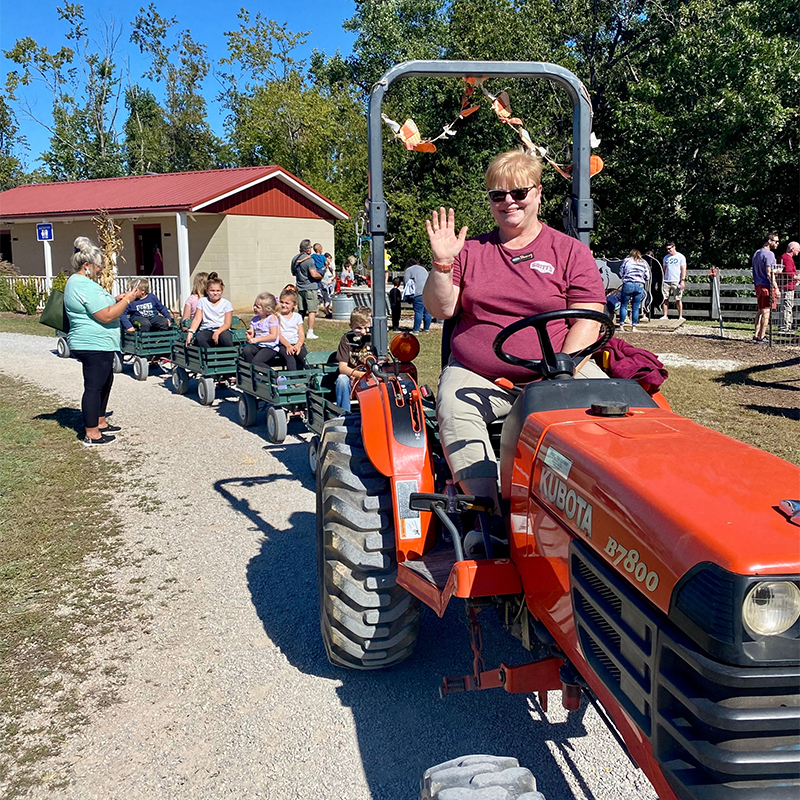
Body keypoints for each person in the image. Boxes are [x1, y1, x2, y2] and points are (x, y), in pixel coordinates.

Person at [423, 148, 605, 515]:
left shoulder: (568, 251)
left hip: (557, 367)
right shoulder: (470, 251)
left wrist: (564, 367)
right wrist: (443, 264)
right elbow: (440, 308)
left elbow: (588, 316)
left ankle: (611, 505)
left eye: (519, 193)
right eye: (498, 195)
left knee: (618, 408)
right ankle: (488, 515)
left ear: (538, 193)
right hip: (479, 375)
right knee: (455, 408)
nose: (509, 202)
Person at [64, 237, 140, 446]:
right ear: (87, 265)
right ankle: (92, 433)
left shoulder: (81, 283)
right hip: (92, 344)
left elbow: (99, 306)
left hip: (99, 343)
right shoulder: (83, 285)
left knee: (105, 383)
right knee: (94, 387)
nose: (101, 269)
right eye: (99, 265)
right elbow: (105, 316)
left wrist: (116, 299)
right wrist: (127, 300)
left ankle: (100, 422)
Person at [335, 306, 371, 412]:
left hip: (370, 378)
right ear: (351, 326)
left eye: (367, 328)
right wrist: (359, 375)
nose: (363, 332)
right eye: (359, 328)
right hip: (352, 378)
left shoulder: (374, 338)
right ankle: (344, 414)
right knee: (341, 380)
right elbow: (342, 368)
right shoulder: (346, 339)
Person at [186, 272, 233, 347]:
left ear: (222, 291)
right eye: (212, 291)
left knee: (226, 338)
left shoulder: (226, 304)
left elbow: (227, 324)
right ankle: (209, 356)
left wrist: (217, 332)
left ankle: (227, 357)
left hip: (221, 329)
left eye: (218, 291)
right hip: (207, 329)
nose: (215, 293)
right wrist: (191, 332)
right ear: (207, 291)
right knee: (200, 338)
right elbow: (197, 319)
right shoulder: (202, 301)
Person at [752, 233, 780, 342]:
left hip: (758, 285)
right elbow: (769, 273)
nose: (777, 244)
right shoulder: (769, 255)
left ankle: (756, 334)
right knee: (766, 311)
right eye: (776, 241)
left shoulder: (756, 253)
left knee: (760, 310)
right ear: (769, 241)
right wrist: (776, 287)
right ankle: (762, 336)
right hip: (766, 286)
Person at [241, 292, 280, 366]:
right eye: (254, 305)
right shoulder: (255, 319)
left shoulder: (271, 318)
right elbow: (251, 332)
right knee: (247, 350)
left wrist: (257, 339)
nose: (255, 308)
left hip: (270, 347)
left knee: (257, 361)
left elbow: (273, 336)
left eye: (258, 307)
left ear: (267, 309)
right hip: (258, 345)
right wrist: (249, 336)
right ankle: (254, 373)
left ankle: (276, 377)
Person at [292, 239, 320, 340]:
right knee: (312, 310)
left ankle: (296, 331)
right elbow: (313, 274)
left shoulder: (294, 259)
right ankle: (310, 332)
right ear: (308, 249)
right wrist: (321, 275)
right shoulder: (309, 260)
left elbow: (293, 273)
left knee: (301, 310)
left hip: (300, 287)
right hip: (310, 287)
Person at [618, 249, 650, 331]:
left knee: (624, 305)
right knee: (635, 307)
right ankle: (634, 326)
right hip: (639, 284)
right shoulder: (643, 262)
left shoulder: (626, 260)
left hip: (628, 284)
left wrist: (624, 277)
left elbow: (621, 272)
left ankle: (621, 325)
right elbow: (647, 276)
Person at [277, 289, 307, 370]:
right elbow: (278, 334)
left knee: (306, 358)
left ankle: (314, 378)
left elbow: (301, 333)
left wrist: (299, 344)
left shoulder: (297, 316)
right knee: (290, 358)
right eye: (282, 302)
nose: (283, 305)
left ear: (294, 304)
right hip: (282, 344)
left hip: (296, 343)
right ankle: (295, 381)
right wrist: (288, 345)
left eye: (287, 303)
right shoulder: (277, 316)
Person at [403, 257, 432, 333]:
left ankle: (416, 330)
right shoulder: (423, 269)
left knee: (418, 311)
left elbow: (406, 282)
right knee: (427, 311)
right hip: (428, 291)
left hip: (418, 293)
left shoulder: (409, 270)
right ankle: (426, 329)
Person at [660, 242, 687, 320]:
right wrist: (662, 279)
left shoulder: (681, 257)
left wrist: (682, 280)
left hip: (676, 280)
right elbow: (664, 269)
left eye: (670, 248)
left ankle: (680, 316)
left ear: (674, 247)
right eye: (667, 249)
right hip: (666, 280)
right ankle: (665, 315)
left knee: (678, 299)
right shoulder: (666, 258)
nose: (669, 250)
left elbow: (683, 269)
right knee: (665, 298)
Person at [777, 241, 798, 332]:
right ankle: (784, 327)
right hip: (787, 287)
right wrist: (797, 277)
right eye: (798, 250)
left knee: (787, 306)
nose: (798, 252)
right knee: (787, 306)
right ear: (792, 249)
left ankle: (787, 325)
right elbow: (789, 273)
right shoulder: (787, 259)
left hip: (787, 286)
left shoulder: (785, 257)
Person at [320, 253, 335, 318]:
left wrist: (329, 263)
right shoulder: (322, 266)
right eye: (328, 258)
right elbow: (323, 277)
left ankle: (328, 311)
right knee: (326, 298)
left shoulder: (330, 266)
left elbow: (333, 268)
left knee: (329, 298)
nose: (329, 260)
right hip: (325, 283)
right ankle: (327, 311)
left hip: (330, 282)